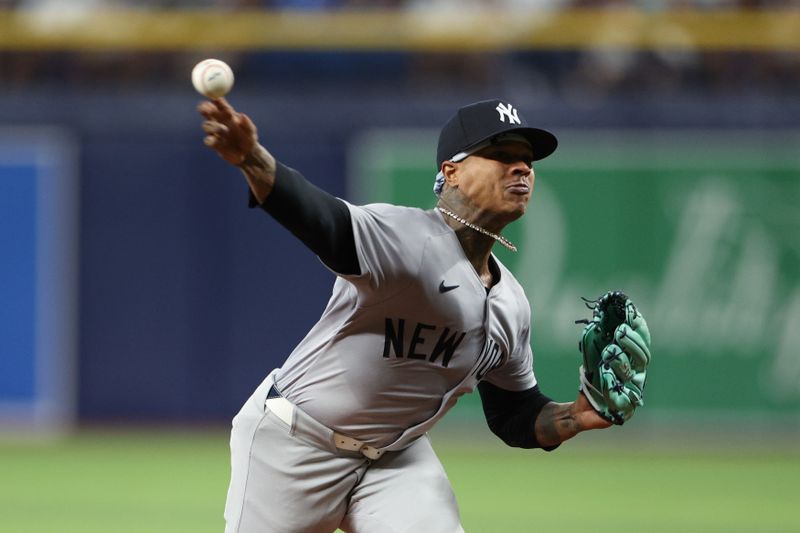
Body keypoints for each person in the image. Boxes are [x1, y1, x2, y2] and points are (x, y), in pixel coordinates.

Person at [198, 97, 613, 533]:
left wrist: (576, 416)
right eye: (501, 155)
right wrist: (252, 158)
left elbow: (514, 413)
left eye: (527, 160)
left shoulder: (512, 303)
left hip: (396, 459)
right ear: (450, 171)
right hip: (295, 443)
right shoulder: (405, 239)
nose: (522, 168)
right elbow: (320, 218)